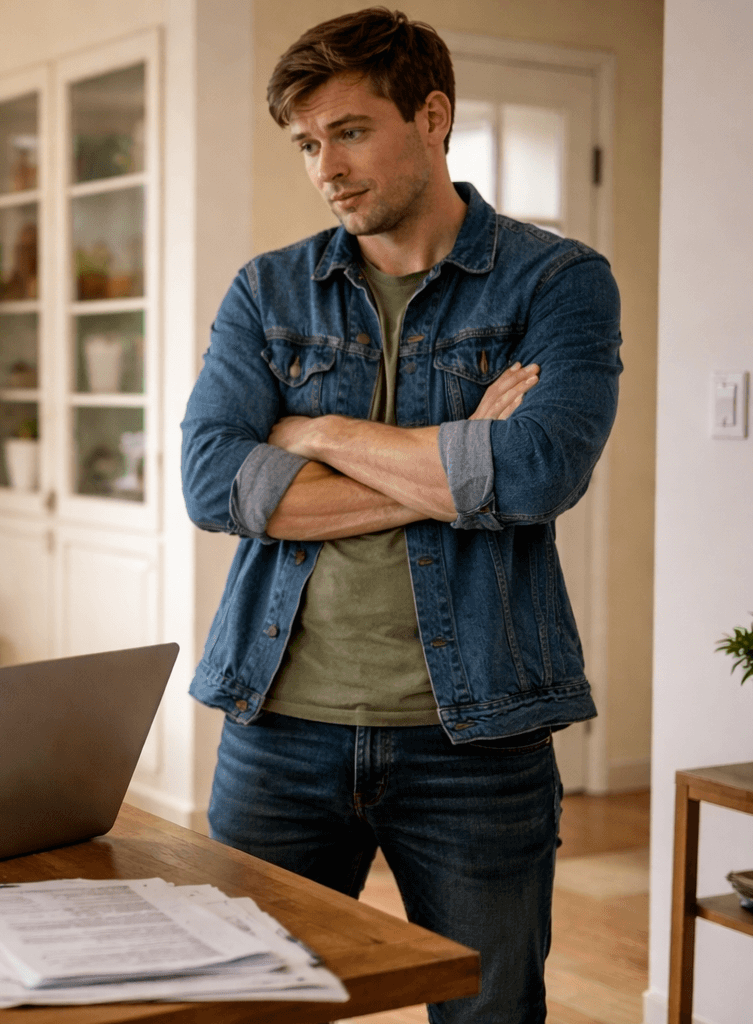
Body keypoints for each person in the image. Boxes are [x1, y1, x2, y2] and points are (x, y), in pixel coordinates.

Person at [180, 8, 621, 1022]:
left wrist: (313, 428)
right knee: (244, 1007)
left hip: (479, 739)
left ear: (433, 115)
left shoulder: (555, 283)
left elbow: (538, 470)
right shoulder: (269, 290)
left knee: (490, 1010)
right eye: (305, 143)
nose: (325, 166)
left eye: (349, 130)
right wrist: (458, 460)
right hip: (278, 727)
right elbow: (214, 485)